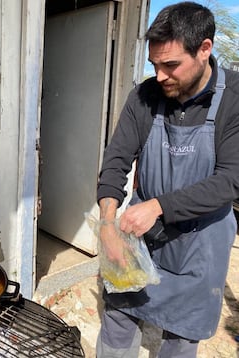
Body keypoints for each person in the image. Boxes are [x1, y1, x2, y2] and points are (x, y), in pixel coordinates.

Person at [96, 2, 239, 357]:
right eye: (154, 64)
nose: (159, 75)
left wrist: (159, 206)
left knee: (180, 335)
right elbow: (115, 162)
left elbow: (231, 179)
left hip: (200, 243)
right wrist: (108, 224)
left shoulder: (234, 100)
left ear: (204, 49)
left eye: (170, 65)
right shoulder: (145, 96)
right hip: (139, 235)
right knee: (118, 316)